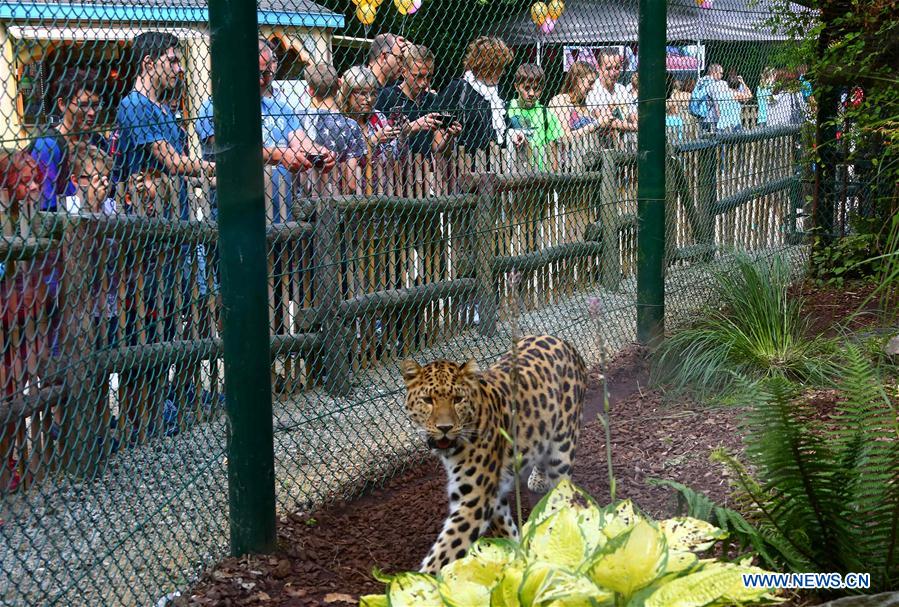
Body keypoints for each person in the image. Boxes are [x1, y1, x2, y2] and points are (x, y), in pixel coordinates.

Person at [196, 38, 335, 222]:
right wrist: (279, 155)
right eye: (257, 73)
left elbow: (301, 141)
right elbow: (232, 150)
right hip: (235, 220)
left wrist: (320, 153)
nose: (262, 81)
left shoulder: (281, 108)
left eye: (267, 73)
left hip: (282, 220)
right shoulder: (213, 108)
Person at [374, 44, 460, 159]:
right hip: (396, 170)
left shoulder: (433, 100)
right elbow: (377, 139)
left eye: (429, 77)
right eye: (418, 76)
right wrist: (412, 127)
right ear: (404, 72)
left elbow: (437, 148)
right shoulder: (386, 97)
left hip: (428, 171)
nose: (424, 83)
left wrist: (449, 136)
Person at [434, 36, 514, 154]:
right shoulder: (458, 88)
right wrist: (449, 136)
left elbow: (506, 127)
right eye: (499, 67)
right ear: (486, 66)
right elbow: (437, 145)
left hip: (498, 165)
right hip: (466, 165)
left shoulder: (498, 92)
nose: (503, 72)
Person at [301, 63, 368, 195]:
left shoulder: (299, 119)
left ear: (310, 91)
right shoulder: (350, 125)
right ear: (339, 83)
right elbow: (351, 182)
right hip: (336, 198)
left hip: (304, 198)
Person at [340, 65, 401, 193]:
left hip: (382, 195)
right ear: (347, 92)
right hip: (347, 199)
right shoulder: (338, 121)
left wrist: (404, 136)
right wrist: (372, 142)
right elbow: (343, 170)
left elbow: (397, 158)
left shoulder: (378, 117)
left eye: (372, 93)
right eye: (362, 93)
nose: (368, 99)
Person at [506, 63, 563, 170]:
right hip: (512, 175)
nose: (531, 93)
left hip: (540, 175)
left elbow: (554, 152)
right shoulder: (506, 110)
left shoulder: (547, 114)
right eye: (527, 88)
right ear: (516, 87)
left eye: (536, 89)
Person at [585, 49, 636, 146]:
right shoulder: (593, 90)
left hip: (626, 144)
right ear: (599, 68)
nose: (613, 73)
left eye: (616, 68)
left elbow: (633, 115)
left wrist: (636, 122)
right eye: (608, 68)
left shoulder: (622, 89)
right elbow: (608, 120)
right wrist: (635, 127)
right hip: (603, 146)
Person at [548, 61, 604, 140]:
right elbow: (564, 136)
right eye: (590, 83)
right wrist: (597, 123)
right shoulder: (560, 100)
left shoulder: (586, 103)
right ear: (577, 80)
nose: (593, 87)